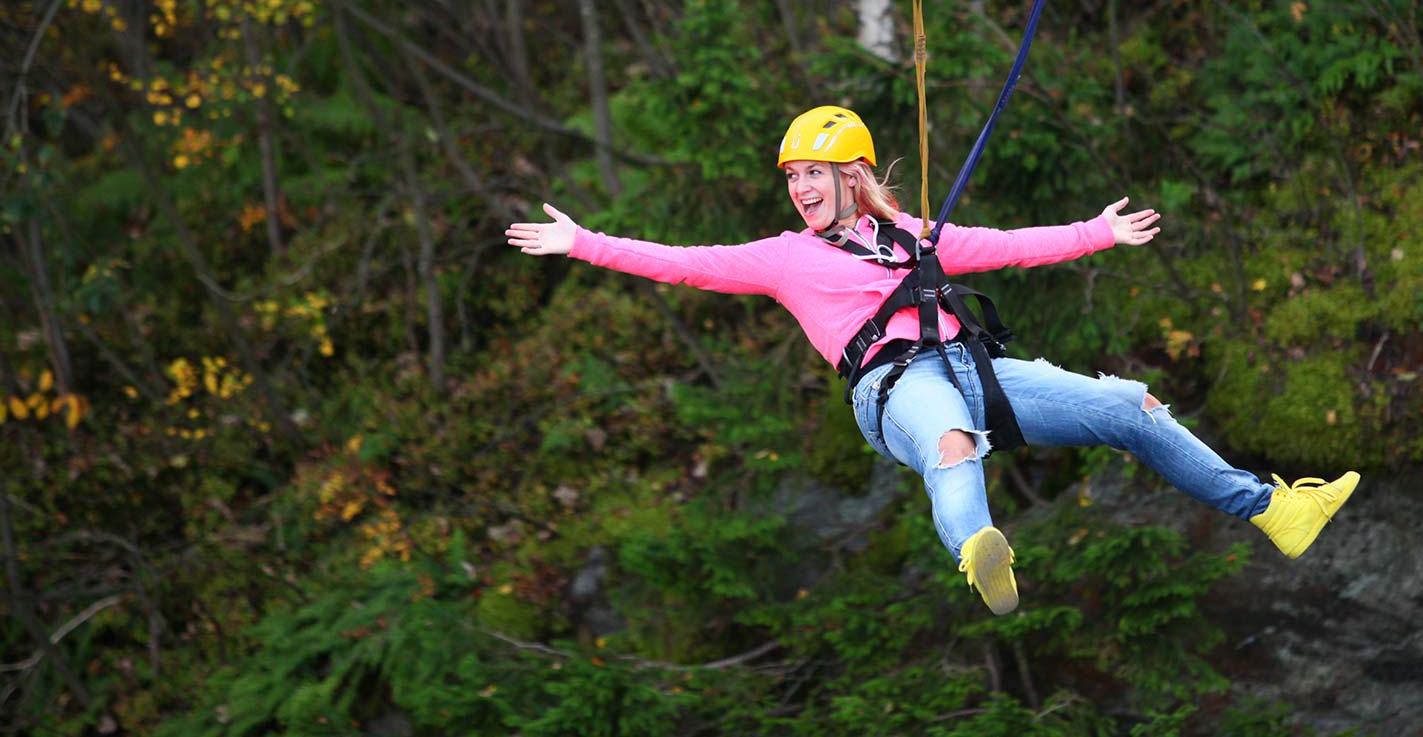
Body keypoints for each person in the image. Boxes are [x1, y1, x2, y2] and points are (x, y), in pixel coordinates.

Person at [505, 105, 1359, 615]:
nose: (799, 188)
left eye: (814, 173)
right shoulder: (783, 257)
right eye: (792, 177)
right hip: (894, 389)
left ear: (854, 175)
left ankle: (1271, 508)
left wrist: (1097, 232)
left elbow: (1008, 245)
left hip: (973, 369)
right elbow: (686, 262)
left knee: (1130, 404)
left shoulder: (914, 235)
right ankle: (981, 548)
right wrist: (584, 243)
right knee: (951, 441)